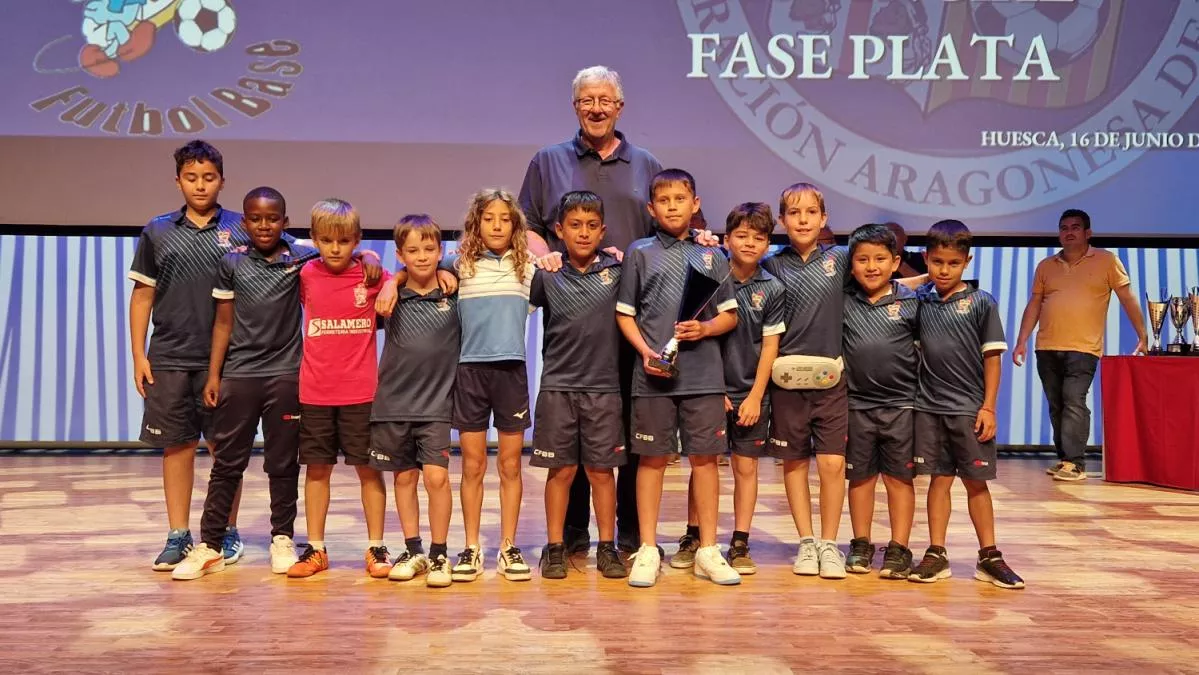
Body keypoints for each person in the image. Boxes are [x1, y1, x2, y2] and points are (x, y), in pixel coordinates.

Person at [520, 65, 664, 555]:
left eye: (606, 100)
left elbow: (667, 223)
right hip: (571, 312)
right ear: (575, 106)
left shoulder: (646, 162)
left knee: (621, 422)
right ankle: (572, 532)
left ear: (620, 107)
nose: (597, 108)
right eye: (587, 100)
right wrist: (547, 258)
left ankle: (623, 532)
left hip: (630, 314)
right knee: (570, 425)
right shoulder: (548, 160)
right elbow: (529, 225)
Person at [172, 187, 320, 580]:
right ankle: (210, 545)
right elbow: (223, 322)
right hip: (238, 375)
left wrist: (372, 257)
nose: (264, 225)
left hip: (285, 376)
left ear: (285, 222)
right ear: (244, 221)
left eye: (272, 218)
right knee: (227, 463)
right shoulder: (231, 263)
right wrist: (215, 374)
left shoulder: (303, 257)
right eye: (255, 218)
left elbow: (346, 254)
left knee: (283, 463)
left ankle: (283, 538)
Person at [616, 169, 741, 588]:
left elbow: (729, 315)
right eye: (663, 200)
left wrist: (705, 329)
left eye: (680, 199)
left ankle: (708, 548)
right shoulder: (639, 252)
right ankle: (648, 548)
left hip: (704, 376)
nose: (672, 206)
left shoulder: (712, 255)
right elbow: (625, 314)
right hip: (653, 376)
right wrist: (646, 352)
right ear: (651, 209)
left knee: (705, 461)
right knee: (651, 460)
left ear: (696, 204)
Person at [128, 140, 246, 571]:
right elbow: (143, 296)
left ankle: (223, 533)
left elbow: (300, 253)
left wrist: (365, 255)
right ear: (177, 180)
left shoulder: (243, 227)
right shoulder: (158, 230)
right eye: (191, 178)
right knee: (176, 446)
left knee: (224, 449)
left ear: (222, 180)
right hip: (170, 356)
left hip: (228, 359)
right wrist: (140, 355)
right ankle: (178, 535)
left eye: (209, 177)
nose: (200, 186)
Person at [908, 220, 1024, 590]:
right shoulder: (919, 301)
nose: (944, 270)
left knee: (976, 483)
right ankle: (936, 553)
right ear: (926, 258)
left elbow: (993, 358)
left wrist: (988, 407)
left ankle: (989, 555)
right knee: (938, 481)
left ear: (967, 262)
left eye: (953, 263)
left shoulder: (981, 303)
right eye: (937, 262)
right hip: (928, 408)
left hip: (970, 410)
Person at [669, 203, 784, 573]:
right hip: (708, 386)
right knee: (703, 463)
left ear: (767, 244)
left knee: (745, 467)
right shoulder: (710, 274)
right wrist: (713, 389)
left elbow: (770, 346)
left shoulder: (773, 288)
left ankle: (740, 541)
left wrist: (754, 396)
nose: (750, 243)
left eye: (759, 237)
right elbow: (704, 336)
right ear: (726, 238)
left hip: (751, 392)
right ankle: (694, 534)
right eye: (742, 235)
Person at [285, 199, 392, 579]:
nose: (335, 248)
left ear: (357, 240)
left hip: (362, 392)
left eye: (345, 241)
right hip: (315, 392)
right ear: (314, 239)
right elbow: (283, 244)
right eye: (326, 240)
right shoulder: (304, 274)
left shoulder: (372, 275)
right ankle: (315, 548)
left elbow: (405, 279)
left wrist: (372, 261)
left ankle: (376, 546)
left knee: (368, 470)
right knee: (317, 471)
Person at [530, 191, 628, 580]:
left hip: (604, 389)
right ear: (559, 230)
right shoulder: (547, 273)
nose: (583, 233)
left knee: (602, 472)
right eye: (574, 225)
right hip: (558, 387)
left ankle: (607, 546)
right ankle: (555, 547)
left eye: (591, 226)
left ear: (603, 230)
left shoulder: (619, 270)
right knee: (562, 472)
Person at [1012, 209, 1146, 482]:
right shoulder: (1046, 266)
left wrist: (1142, 335)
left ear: (1088, 233)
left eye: (1075, 227)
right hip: (1046, 346)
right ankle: (1065, 459)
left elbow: (1127, 298)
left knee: (1074, 401)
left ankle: (1076, 462)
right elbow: (1034, 304)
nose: (1069, 232)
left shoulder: (1107, 261)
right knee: (1056, 405)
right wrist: (1022, 340)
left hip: (1084, 348)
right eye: (1064, 228)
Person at [761, 183, 853, 580]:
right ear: (782, 220)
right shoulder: (770, 265)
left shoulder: (842, 260)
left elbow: (881, 275)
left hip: (832, 380)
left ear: (824, 218)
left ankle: (831, 544)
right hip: (787, 382)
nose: (802, 219)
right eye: (794, 213)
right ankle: (806, 542)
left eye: (810, 212)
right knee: (794, 462)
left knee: (832, 463)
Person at [368, 215, 458, 588]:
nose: (422, 256)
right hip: (392, 404)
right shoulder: (390, 296)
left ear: (440, 250)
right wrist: (392, 279)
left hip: (436, 406)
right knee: (403, 478)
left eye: (429, 248)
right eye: (412, 250)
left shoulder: (454, 291)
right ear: (401, 254)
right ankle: (413, 548)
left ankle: (439, 553)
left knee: (436, 478)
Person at [841, 224, 919, 579]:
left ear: (895, 262)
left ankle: (899, 546)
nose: (871, 266)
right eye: (862, 259)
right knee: (860, 479)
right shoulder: (843, 302)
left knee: (899, 479)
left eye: (880, 259)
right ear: (851, 264)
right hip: (856, 406)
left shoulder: (912, 303)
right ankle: (861, 543)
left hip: (903, 406)